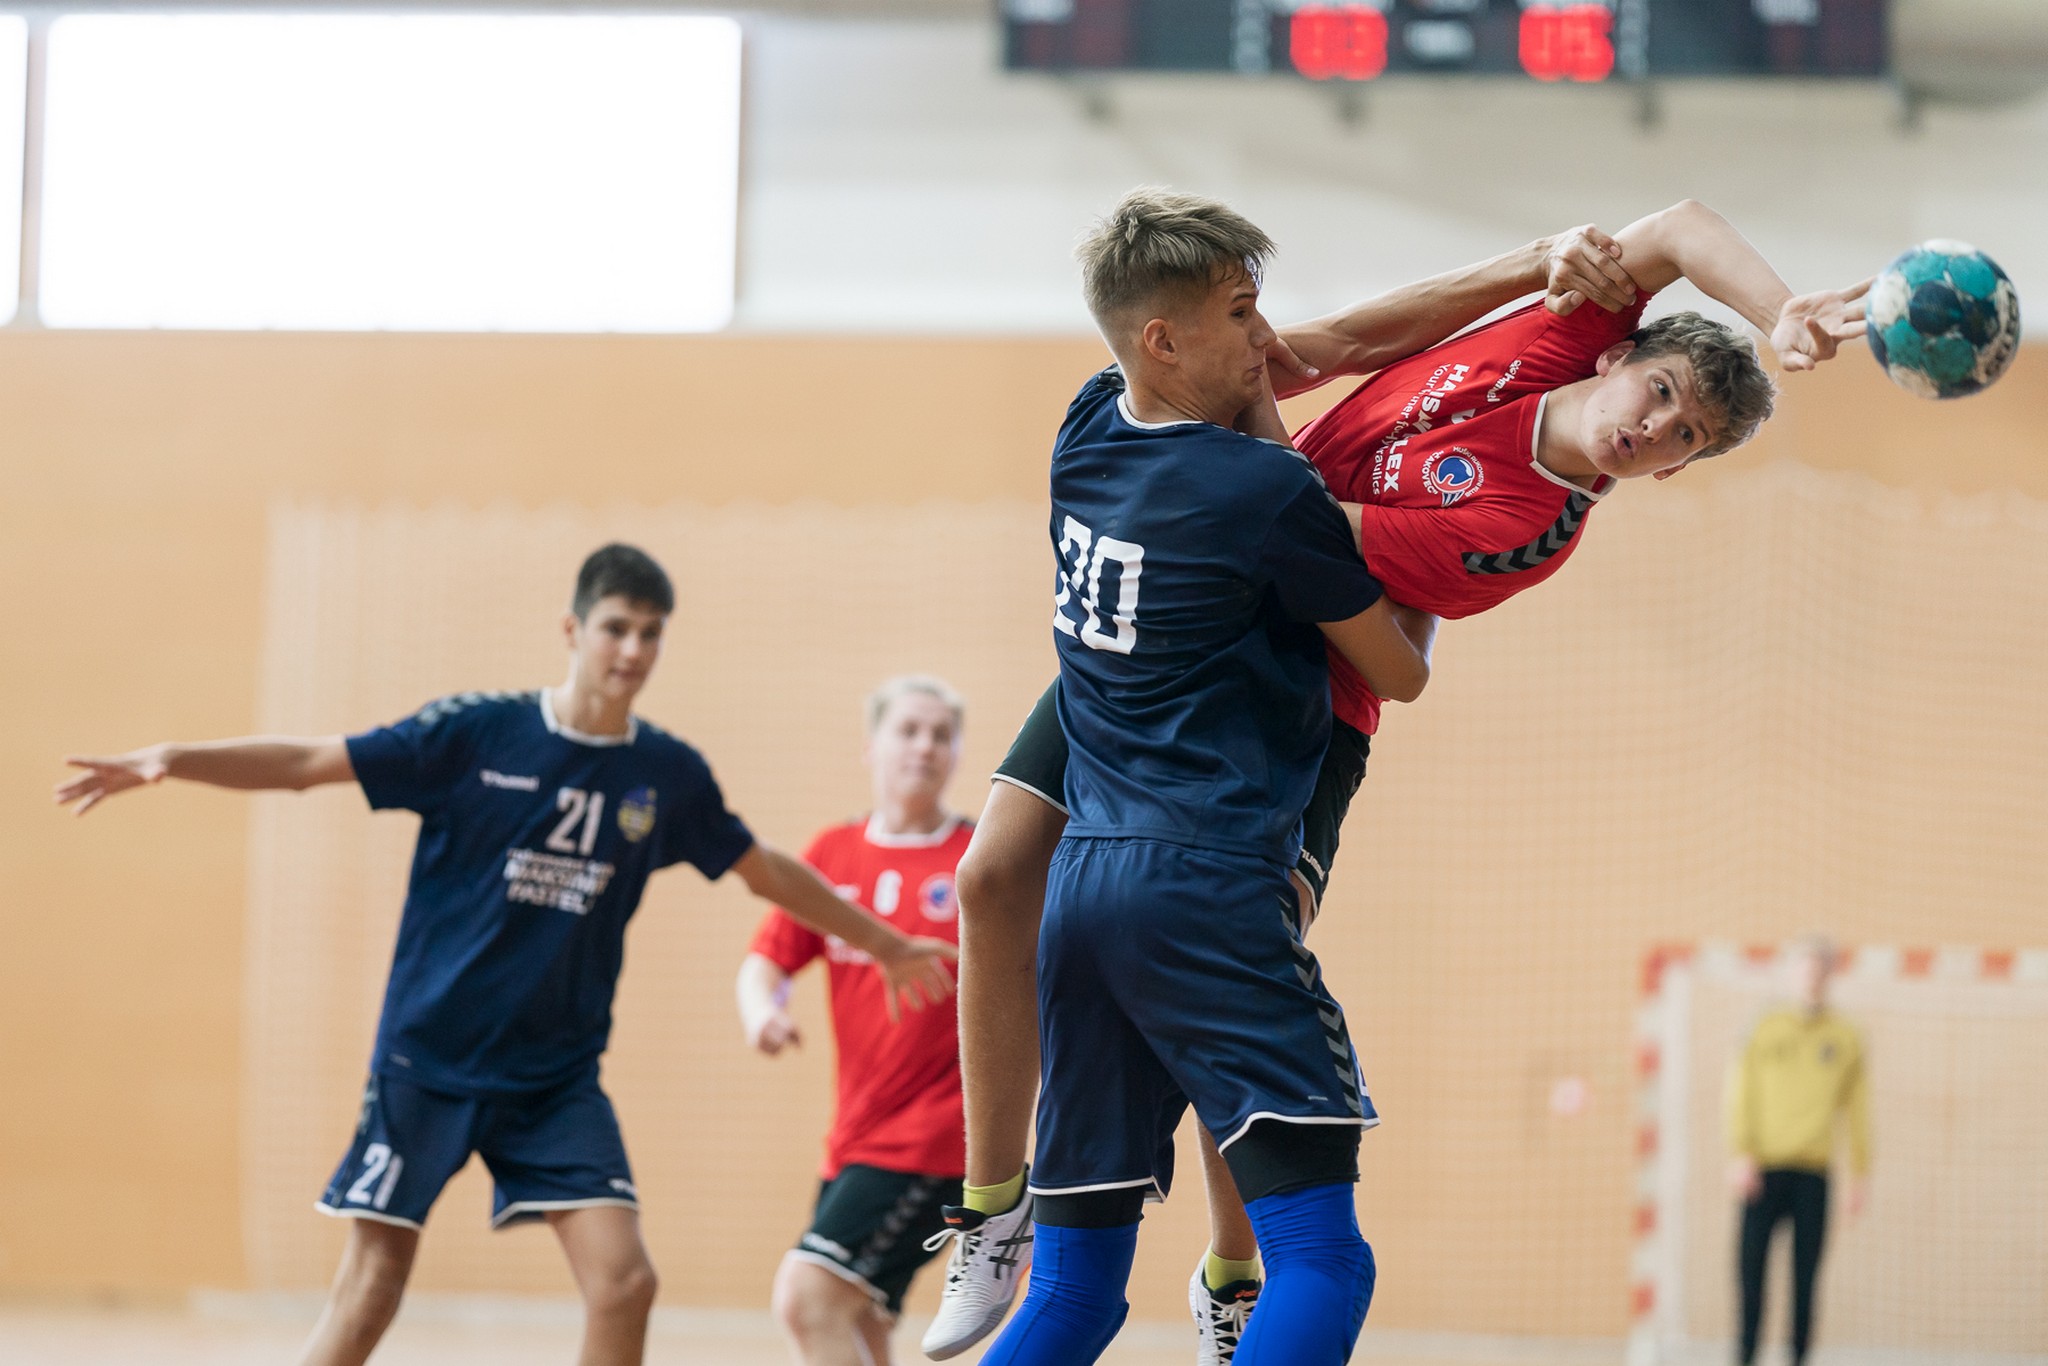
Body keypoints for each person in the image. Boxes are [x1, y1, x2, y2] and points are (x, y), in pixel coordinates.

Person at [926, 199, 1870, 1363]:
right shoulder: (1561, 333)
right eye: (1663, 391)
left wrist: (1235, 397)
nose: (1656, 425)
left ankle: (1234, 1274)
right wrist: (1776, 311)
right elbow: (1671, 228)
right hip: (1166, 629)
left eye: (1684, 437)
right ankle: (993, 1203)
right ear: (1621, 349)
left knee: (1223, 983)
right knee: (990, 876)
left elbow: (1296, 528)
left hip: (1294, 688)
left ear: (1677, 473)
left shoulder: (1522, 523)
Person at [54, 544, 958, 1366]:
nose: (633, 650)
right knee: (370, 1292)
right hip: (430, 1061)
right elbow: (307, 761)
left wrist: (882, 944)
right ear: (573, 629)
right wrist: (172, 757)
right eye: (616, 627)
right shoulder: (473, 736)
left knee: (625, 1283)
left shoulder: (666, 775)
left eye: (650, 634)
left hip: (554, 1079)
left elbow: (763, 871)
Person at [978, 188, 1435, 1366]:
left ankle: (990, 1217)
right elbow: (1393, 667)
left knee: (1072, 1293)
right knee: (1326, 1260)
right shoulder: (1261, 493)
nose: (1264, 340)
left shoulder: (1081, 431)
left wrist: (1251, 386)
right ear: (1161, 340)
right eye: (1241, 315)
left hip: (1081, 895)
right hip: (1210, 887)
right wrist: (1436, 550)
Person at [737, 676, 973, 1366]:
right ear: (870, 747)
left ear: (956, 753)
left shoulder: (980, 859)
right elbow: (766, 961)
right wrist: (762, 1015)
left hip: (937, 1136)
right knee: (861, 1321)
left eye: (940, 734)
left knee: (807, 1298)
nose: (924, 747)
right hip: (854, 1137)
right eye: (908, 730)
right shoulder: (835, 855)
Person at [1725, 936, 1870, 1366]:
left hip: (1814, 1173)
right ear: (1791, 971)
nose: (1811, 975)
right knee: (1750, 1275)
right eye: (1804, 966)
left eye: (1819, 967)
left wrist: (1860, 1172)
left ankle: (1798, 1358)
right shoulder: (1763, 1027)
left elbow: (1859, 1110)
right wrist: (1740, 1152)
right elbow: (1739, 1092)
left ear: (1830, 974)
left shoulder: (1845, 1036)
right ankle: (1745, 1356)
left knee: (1805, 1280)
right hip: (1763, 1169)